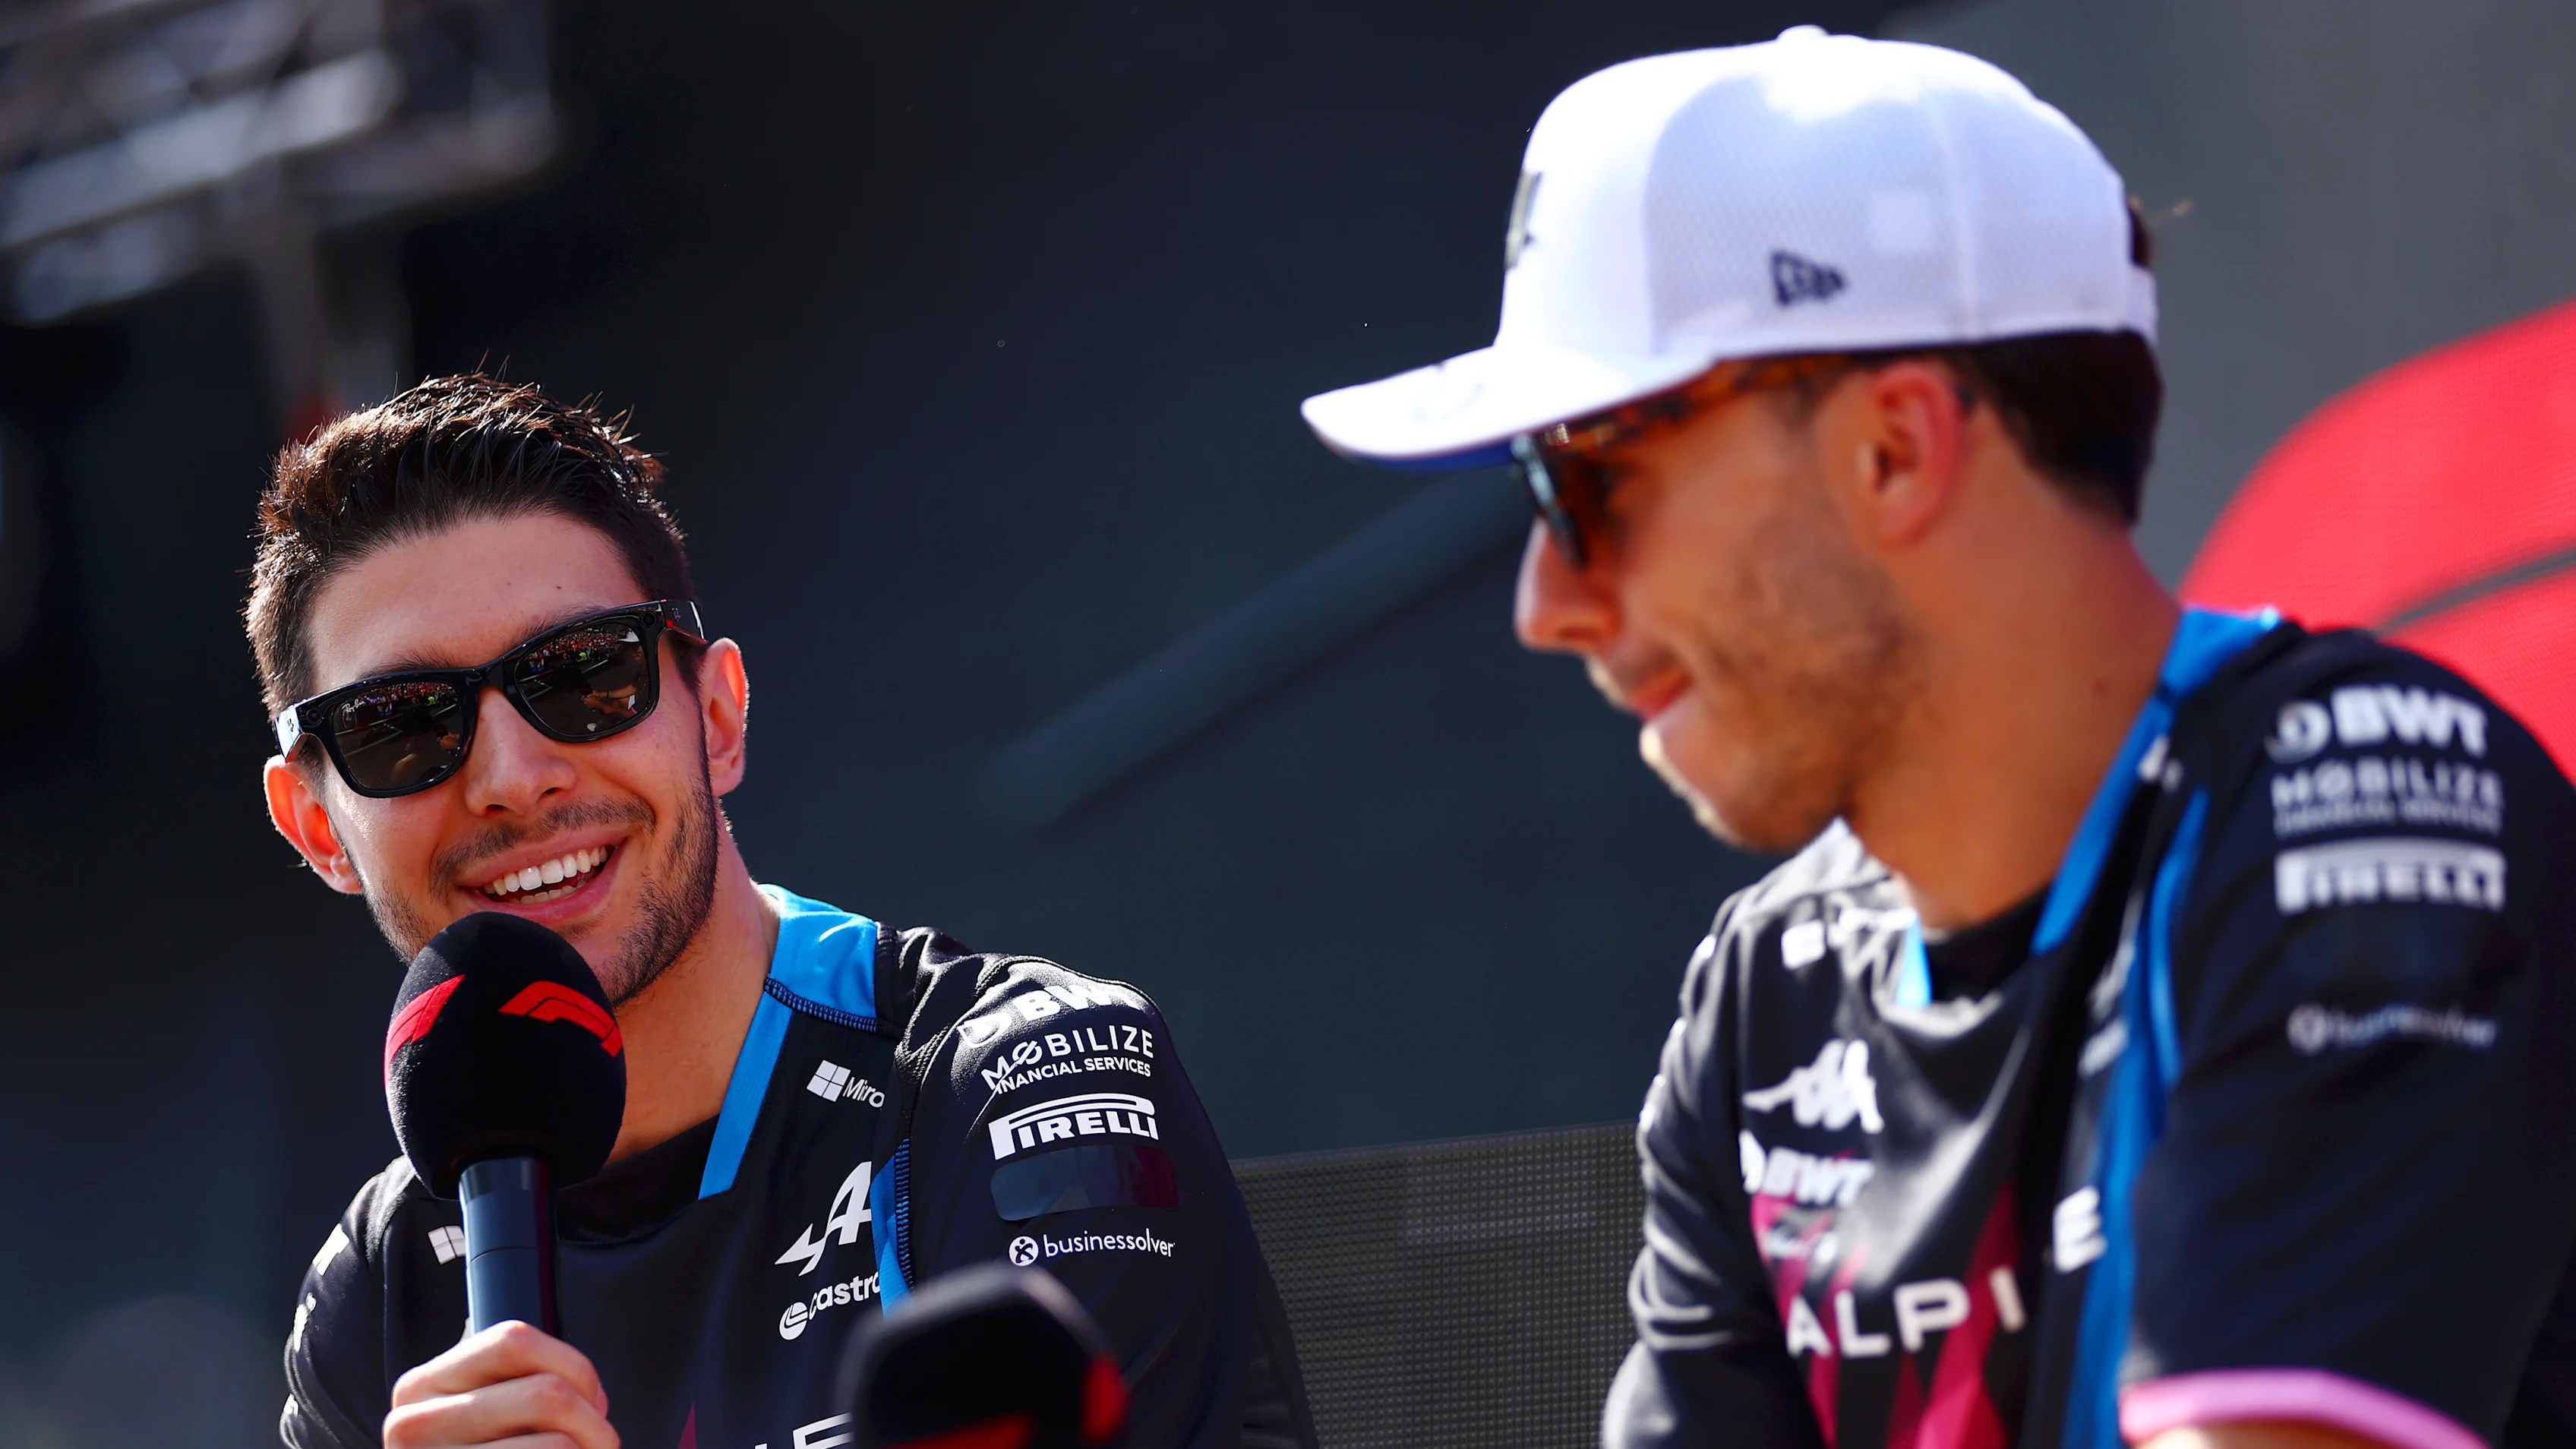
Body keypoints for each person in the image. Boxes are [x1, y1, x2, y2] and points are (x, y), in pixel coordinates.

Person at [1299, 27, 2576, 1449]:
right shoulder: (1769, 992)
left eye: (1586, 479)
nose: (1547, 604)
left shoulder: (2368, 804)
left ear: (1896, 451)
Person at [254, 376, 1314, 1449]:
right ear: (317, 828)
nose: (515, 779)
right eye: (400, 727)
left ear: (718, 718)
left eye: (582, 676)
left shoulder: (1026, 1082)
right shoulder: (379, 1292)